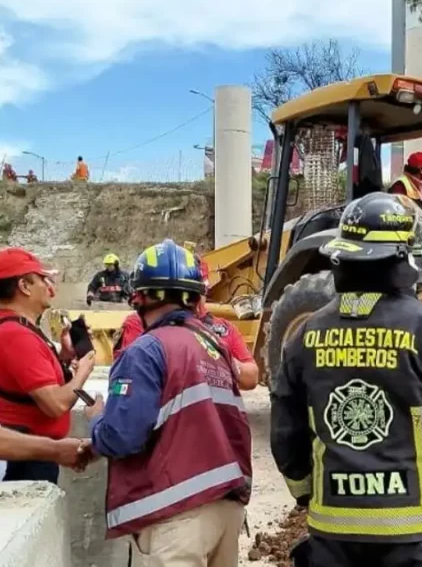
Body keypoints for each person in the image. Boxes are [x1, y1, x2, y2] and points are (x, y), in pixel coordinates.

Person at [271, 192, 422, 567]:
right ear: (402, 258)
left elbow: (286, 433)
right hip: (416, 539)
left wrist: (307, 493)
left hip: (332, 538)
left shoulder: (304, 337)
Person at [84, 239, 252, 564]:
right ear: (194, 297)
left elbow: (121, 436)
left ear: (139, 296)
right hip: (226, 506)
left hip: (177, 516)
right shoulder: (217, 348)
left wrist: (96, 418)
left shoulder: (145, 351)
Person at [0, 247, 96, 483]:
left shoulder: (18, 329)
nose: (49, 287)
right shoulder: (16, 335)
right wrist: (83, 371)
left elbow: (23, 382)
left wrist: (63, 357)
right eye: (43, 279)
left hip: (30, 452)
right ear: (24, 286)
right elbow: (55, 404)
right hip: (26, 459)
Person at [111, 249, 259, 389]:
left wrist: (223, 362)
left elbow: (252, 378)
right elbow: (123, 380)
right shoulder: (138, 323)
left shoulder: (224, 329)